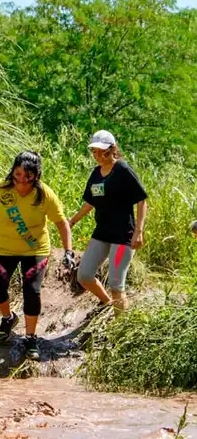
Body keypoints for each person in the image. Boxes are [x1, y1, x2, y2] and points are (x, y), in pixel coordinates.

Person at [0, 151, 74, 360]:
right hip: (3, 248)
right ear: (12, 172)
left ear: (36, 175)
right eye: (17, 176)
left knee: (32, 292)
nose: (22, 182)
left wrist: (68, 251)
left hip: (35, 249)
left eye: (28, 177)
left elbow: (61, 223)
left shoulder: (44, 195)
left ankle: (31, 337)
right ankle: (8, 318)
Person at [69, 130, 148, 316]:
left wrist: (139, 231)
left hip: (123, 238)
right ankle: (106, 302)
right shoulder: (96, 174)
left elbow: (142, 200)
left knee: (116, 284)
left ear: (113, 149)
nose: (97, 155)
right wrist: (72, 220)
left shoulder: (123, 170)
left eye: (101, 151)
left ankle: (121, 330)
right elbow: (90, 202)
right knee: (84, 276)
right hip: (102, 234)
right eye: (94, 151)